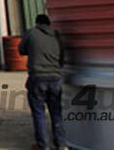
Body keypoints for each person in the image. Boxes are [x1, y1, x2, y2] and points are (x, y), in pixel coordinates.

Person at [18, 13, 68, 150]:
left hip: (38, 78)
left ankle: (43, 146)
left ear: (37, 23)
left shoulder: (32, 33)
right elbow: (62, 58)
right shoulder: (57, 35)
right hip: (55, 78)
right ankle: (61, 144)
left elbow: (21, 50)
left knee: (39, 113)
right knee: (56, 112)